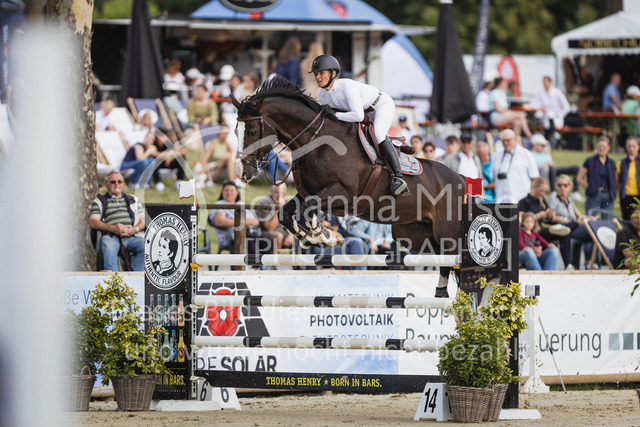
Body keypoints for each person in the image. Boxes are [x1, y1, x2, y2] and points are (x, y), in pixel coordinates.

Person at [312, 54, 408, 196]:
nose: (318, 77)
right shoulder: (321, 94)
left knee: (378, 134)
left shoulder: (347, 86)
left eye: (322, 73)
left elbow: (358, 116)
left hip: (380, 105)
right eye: (316, 74)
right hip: (362, 111)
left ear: (333, 73)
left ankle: (398, 178)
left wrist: (334, 115)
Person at [89, 171, 145, 271]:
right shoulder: (99, 201)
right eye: (113, 182)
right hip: (111, 236)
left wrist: (134, 229)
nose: (117, 184)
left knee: (148, 246)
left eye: (119, 181)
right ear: (106, 184)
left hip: (132, 236)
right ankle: (114, 279)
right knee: (108, 246)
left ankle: (134, 277)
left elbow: (144, 219)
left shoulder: (133, 199)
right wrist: (113, 228)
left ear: (123, 183)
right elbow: (93, 222)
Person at [548, 174, 596, 269]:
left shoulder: (569, 200)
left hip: (574, 227)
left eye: (565, 185)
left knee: (593, 232)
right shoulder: (554, 199)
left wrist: (590, 218)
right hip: (563, 227)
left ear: (570, 186)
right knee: (574, 225)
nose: (562, 187)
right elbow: (553, 218)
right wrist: (567, 221)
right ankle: (575, 264)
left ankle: (590, 262)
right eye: (560, 185)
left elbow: (580, 215)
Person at [207, 180, 260, 253]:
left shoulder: (241, 204)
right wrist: (245, 222)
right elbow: (220, 222)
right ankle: (254, 260)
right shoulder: (220, 204)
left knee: (266, 239)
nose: (229, 193)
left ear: (237, 192)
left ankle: (266, 260)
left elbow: (256, 221)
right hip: (229, 237)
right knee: (247, 240)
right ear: (222, 192)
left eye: (231, 190)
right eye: (226, 190)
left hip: (248, 233)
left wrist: (242, 222)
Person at [491, 129, 539, 203]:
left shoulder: (526, 154)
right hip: (501, 199)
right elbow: (493, 178)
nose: (506, 143)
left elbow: (534, 178)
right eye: (503, 141)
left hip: (520, 199)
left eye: (508, 140)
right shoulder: (497, 155)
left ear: (515, 139)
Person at [530, 133, 581, 198]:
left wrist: (550, 164)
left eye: (544, 145)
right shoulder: (530, 154)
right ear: (535, 144)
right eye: (542, 145)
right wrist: (545, 164)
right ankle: (553, 191)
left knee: (576, 168)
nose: (543, 147)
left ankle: (575, 193)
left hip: (552, 170)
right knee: (545, 167)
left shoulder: (545, 154)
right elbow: (532, 167)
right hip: (540, 170)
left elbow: (552, 164)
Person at [577, 135, 617, 217]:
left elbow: (615, 179)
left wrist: (614, 191)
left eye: (604, 146)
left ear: (608, 148)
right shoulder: (590, 161)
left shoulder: (611, 163)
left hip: (608, 195)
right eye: (599, 146)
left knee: (607, 221)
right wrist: (590, 187)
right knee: (592, 219)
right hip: (594, 195)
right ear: (597, 147)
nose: (601, 148)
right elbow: (579, 178)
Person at [254, 184, 294, 254]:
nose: (279, 196)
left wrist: (291, 236)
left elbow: (294, 222)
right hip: (263, 233)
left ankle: (299, 261)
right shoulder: (264, 203)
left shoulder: (287, 201)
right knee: (278, 236)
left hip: (283, 232)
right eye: (276, 192)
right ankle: (274, 261)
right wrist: (278, 208)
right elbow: (270, 228)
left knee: (299, 236)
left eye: (282, 193)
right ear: (271, 191)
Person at [528, 76, 571, 141]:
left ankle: (554, 136)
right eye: (544, 83)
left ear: (550, 83)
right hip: (545, 118)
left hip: (557, 118)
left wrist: (559, 114)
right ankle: (554, 136)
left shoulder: (557, 92)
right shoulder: (540, 92)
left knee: (550, 120)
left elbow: (567, 107)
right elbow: (532, 103)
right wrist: (540, 107)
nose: (545, 85)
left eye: (547, 83)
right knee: (546, 120)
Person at [617, 136, 640, 220]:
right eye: (629, 146)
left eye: (634, 146)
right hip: (626, 197)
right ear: (626, 147)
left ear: (638, 147)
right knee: (627, 219)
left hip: (638, 196)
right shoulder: (622, 163)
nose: (631, 148)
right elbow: (618, 180)